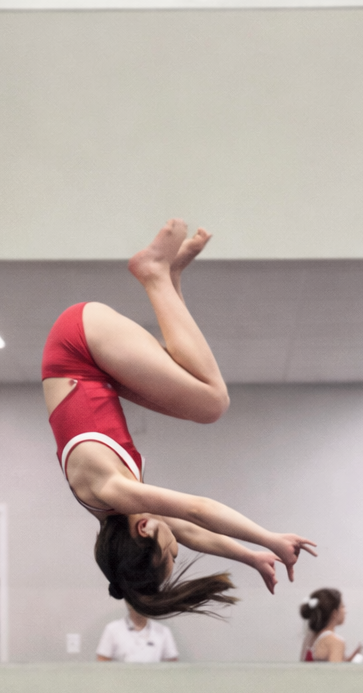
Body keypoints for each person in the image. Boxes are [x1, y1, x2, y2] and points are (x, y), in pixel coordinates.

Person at [42, 219, 316, 619]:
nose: (178, 543)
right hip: (88, 366)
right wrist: (251, 556)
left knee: (212, 402)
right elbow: (189, 530)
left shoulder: (112, 490)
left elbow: (197, 510)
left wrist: (270, 538)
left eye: (169, 551)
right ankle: (169, 278)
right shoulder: (116, 510)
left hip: (78, 347)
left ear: (145, 531)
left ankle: (153, 273)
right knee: (189, 378)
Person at [97, 603, 179, 663]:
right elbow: (102, 663)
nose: (140, 602)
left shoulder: (163, 631)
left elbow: (173, 666)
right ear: (128, 601)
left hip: (154, 683)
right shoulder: (112, 629)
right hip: (120, 683)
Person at [299, 588, 362, 662]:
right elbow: (335, 673)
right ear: (334, 614)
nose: (346, 611)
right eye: (343, 606)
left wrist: (345, 661)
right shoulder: (335, 642)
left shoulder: (309, 638)